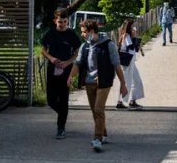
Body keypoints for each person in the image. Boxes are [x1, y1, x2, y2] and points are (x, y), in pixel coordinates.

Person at [68, 19, 128, 152]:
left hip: (104, 82)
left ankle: (97, 139)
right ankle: (104, 133)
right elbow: (78, 63)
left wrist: (123, 84)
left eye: (84, 32)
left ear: (92, 32)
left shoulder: (108, 45)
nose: (82, 34)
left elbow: (116, 64)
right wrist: (71, 76)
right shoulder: (85, 47)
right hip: (90, 83)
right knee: (95, 111)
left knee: (98, 109)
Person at [40, 9, 82, 140]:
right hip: (52, 69)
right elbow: (43, 49)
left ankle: (61, 127)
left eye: (64, 22)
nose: (62, 24)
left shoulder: (71, 35)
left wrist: (67, 62)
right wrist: (51, 58)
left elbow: (77, 52)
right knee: (51, 100)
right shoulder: (50, 33)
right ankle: (63, 114)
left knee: (63, 99)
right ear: (55, 21)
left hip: (66, 71)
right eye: (60, 22)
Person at [116, 20, 145, 110]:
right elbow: (131, 47)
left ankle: (133, 100)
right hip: (127, 62)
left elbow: (135, 49)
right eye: (133, 27)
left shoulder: (129, 36)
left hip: (131, 61)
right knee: (125, 81)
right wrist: (134, 36)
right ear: (128, 27)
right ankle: (119, 102)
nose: (134, 28)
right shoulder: (126, 36)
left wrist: (136, 39)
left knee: (137, 80)